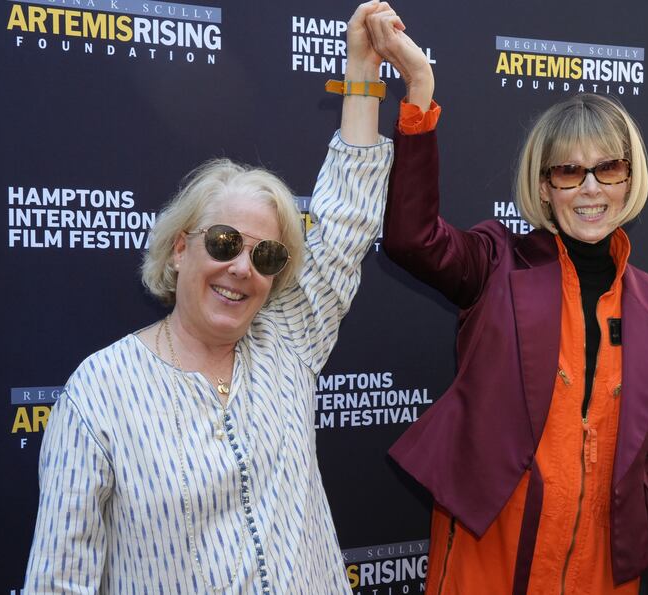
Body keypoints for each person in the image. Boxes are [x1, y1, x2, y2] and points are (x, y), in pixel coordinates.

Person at [23, 3, 393, 592]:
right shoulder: (100, 393)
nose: (242, 268)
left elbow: (346, 221)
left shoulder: (289, 343)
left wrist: (362, 73)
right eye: (223, 243)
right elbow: (61, 581)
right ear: (178, 249)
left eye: (266, 256)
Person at [363, 6, 648, 595]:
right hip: (487, 558)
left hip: (603, 573)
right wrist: (419, 91)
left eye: (608, 168)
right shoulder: (497, 263)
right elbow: (411, 239)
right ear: (545, 186)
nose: (591, 188)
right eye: (569, 172)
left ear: (630, 177)